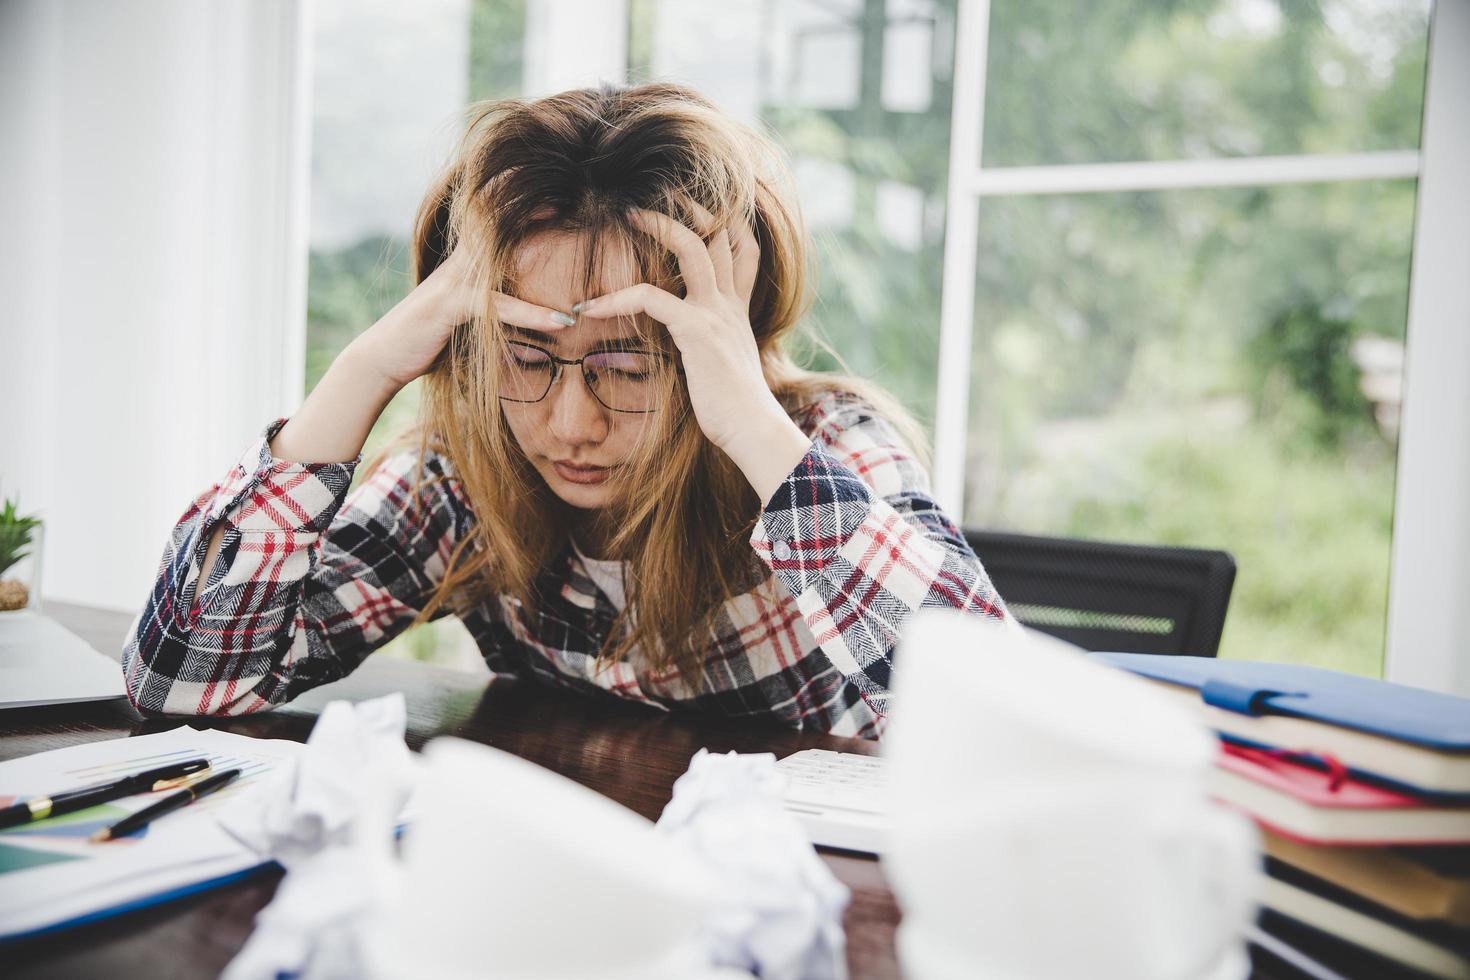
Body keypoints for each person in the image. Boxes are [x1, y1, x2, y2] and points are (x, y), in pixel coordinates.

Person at [121, 83, 1010, 739]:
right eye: (526, 355)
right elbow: (182, 687)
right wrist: (363, 371)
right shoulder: (464, 478)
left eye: (629, 364)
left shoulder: (824, 448)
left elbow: (988, 725)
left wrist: (746, 420)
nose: (572, 424)